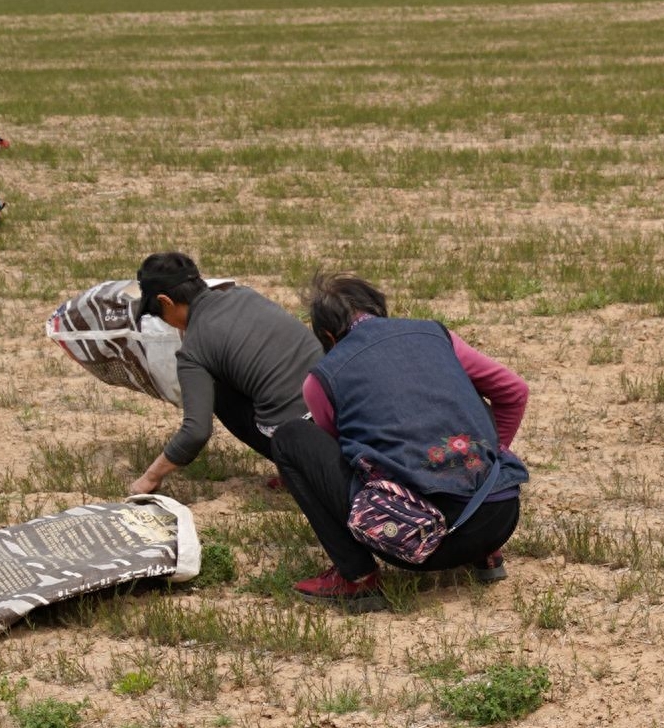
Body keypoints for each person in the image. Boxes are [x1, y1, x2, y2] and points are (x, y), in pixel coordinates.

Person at [281, 272, 530, 612]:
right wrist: (491, 458)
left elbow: (340, 455)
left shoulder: (322, 378)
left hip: (412, 540)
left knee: (289, 438)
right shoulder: (435, 334)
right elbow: (514, 391)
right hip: (499, 517)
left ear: (327, 336)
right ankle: (484, 555)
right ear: (380, 311)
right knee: (466, 394)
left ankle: (357, 577)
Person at [127, 251, 323, 496]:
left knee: (217, 393)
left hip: (299, 438)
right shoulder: (245, 294)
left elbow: (195, 432)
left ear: (166, 301)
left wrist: (149, 478)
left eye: (157, 313)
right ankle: (296, 469)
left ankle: (297, 469)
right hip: (334, 413)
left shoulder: (194, 349)